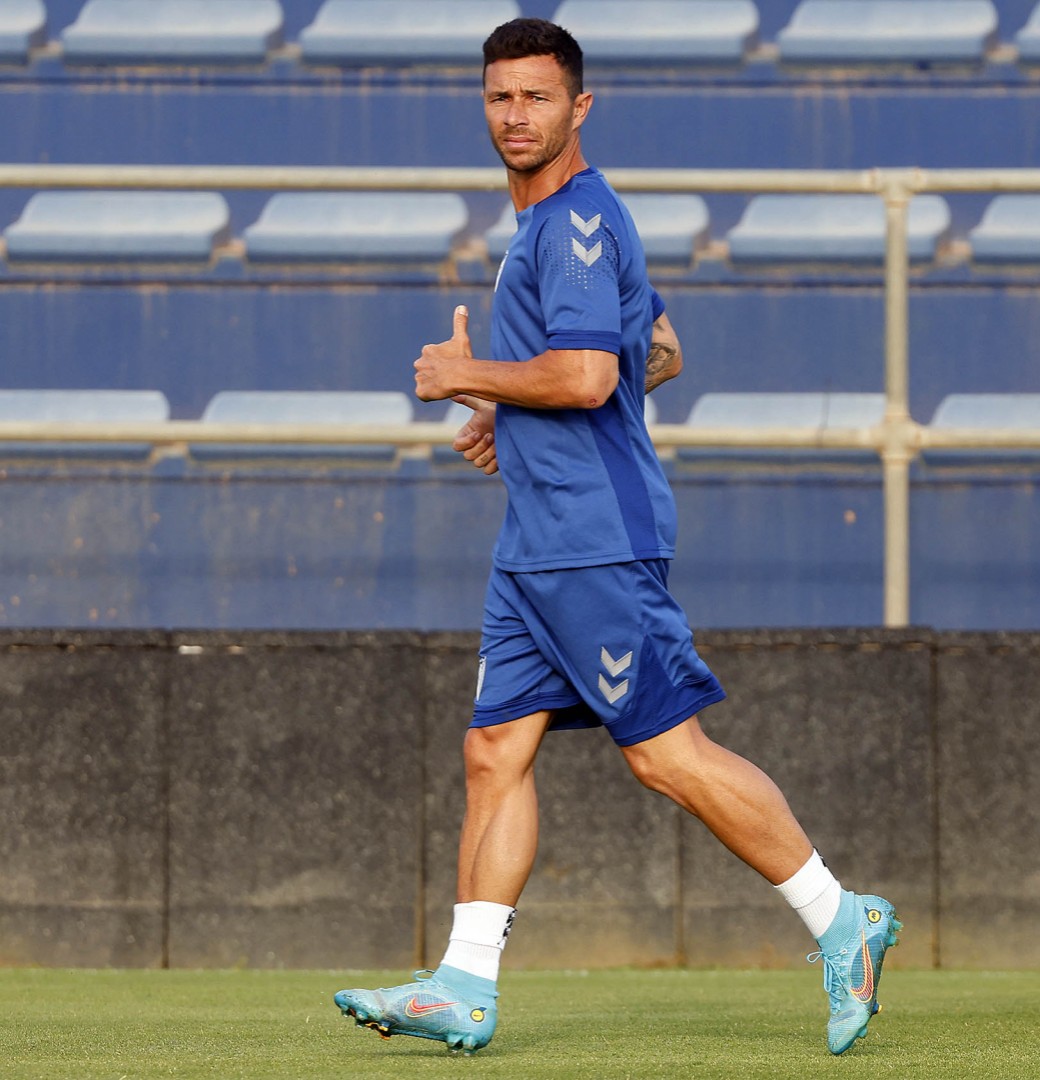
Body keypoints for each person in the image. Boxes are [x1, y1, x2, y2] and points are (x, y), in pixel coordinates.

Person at [332, 18, 898, 1056]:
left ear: (577, 109)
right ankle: (464, 980)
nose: (516, 115)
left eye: (537, 98)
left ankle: (840, 916)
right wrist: (518, 408)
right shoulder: (548, 227)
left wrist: (476, 380)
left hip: (594, 538)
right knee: (493, 750)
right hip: (535, 543)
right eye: (501, 97)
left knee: (665, 756)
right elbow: (661, 350)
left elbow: (593, 374)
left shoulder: (577, 223)